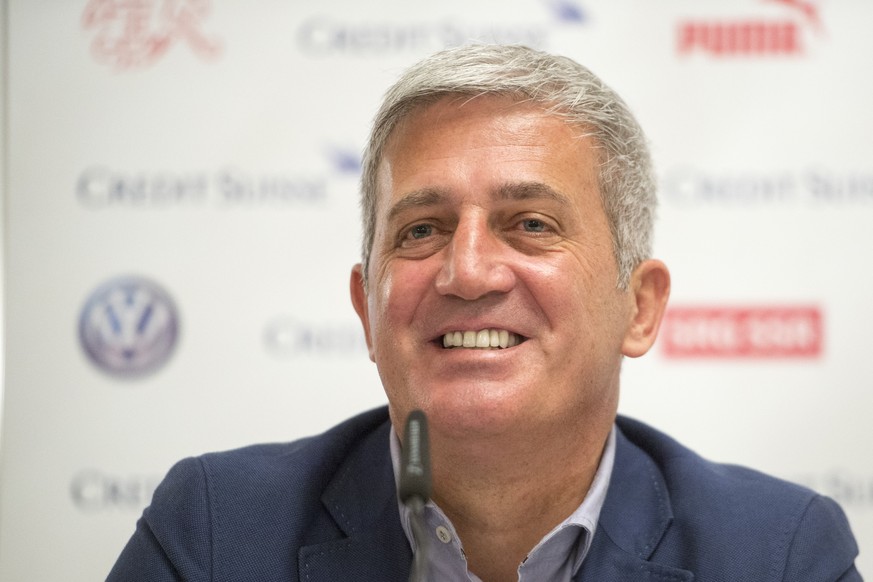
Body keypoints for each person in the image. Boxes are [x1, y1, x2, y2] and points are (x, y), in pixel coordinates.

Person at [108, 44, 861, 581]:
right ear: (366, 311)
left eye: (531, 224)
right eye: (421, 230)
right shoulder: (214, 534)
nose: (465, 271)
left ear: (639, 307)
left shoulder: (777, 554)